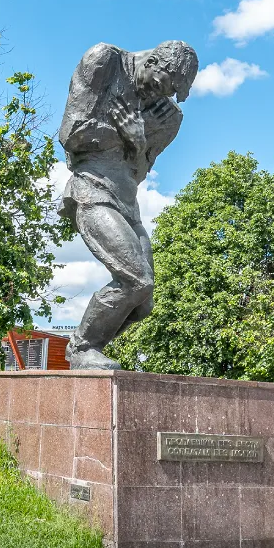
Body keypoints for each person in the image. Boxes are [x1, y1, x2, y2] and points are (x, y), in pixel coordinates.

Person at [57, 40, 198, 369]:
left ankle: (91, 352)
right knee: (136, 279)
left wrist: (139, 136)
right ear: (151, 63)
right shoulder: (104, 62)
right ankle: (81, 348)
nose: (164, 97)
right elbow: (72, 134)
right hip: (91, 189)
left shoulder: (169, 117)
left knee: (143, 301)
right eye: (163, 86)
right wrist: (127, 134)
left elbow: (138, 171)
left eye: (174, 93)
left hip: (126, 201)